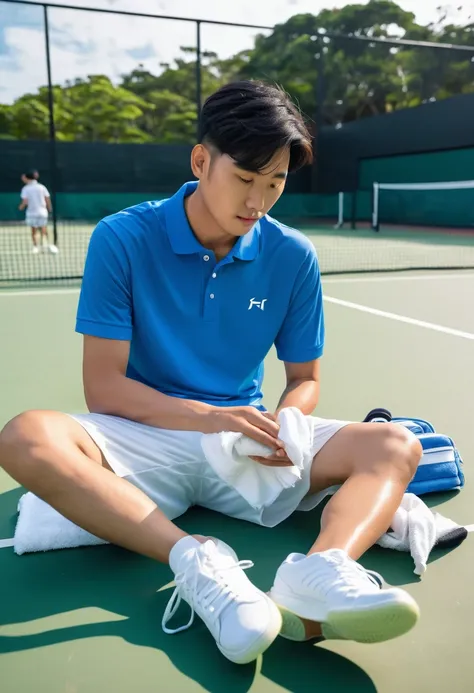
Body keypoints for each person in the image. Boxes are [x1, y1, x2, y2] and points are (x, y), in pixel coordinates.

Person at [0, 81, 422, 665]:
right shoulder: (122, 237)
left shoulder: (293, 255)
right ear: (202, 160)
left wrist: (286, 424)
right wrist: (210, 417)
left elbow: (304, 377)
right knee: (25, 437)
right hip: (146, 435)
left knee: (395, 445)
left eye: (274, 183)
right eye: (246, 178)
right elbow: (104, 389)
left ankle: (320, 574)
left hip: (244, 440)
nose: (259, 200)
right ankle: (198, 562)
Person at [19, 170, 58, 254]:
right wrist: (49, 208)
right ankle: (49, 245)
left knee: (34, 230)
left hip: (32, 213)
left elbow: (25, 201)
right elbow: (47, 198)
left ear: (27, 178)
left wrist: (20, 207)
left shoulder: (25, 188)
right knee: (44, 229)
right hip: (42, 212)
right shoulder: (42, 187)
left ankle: (36, 247)